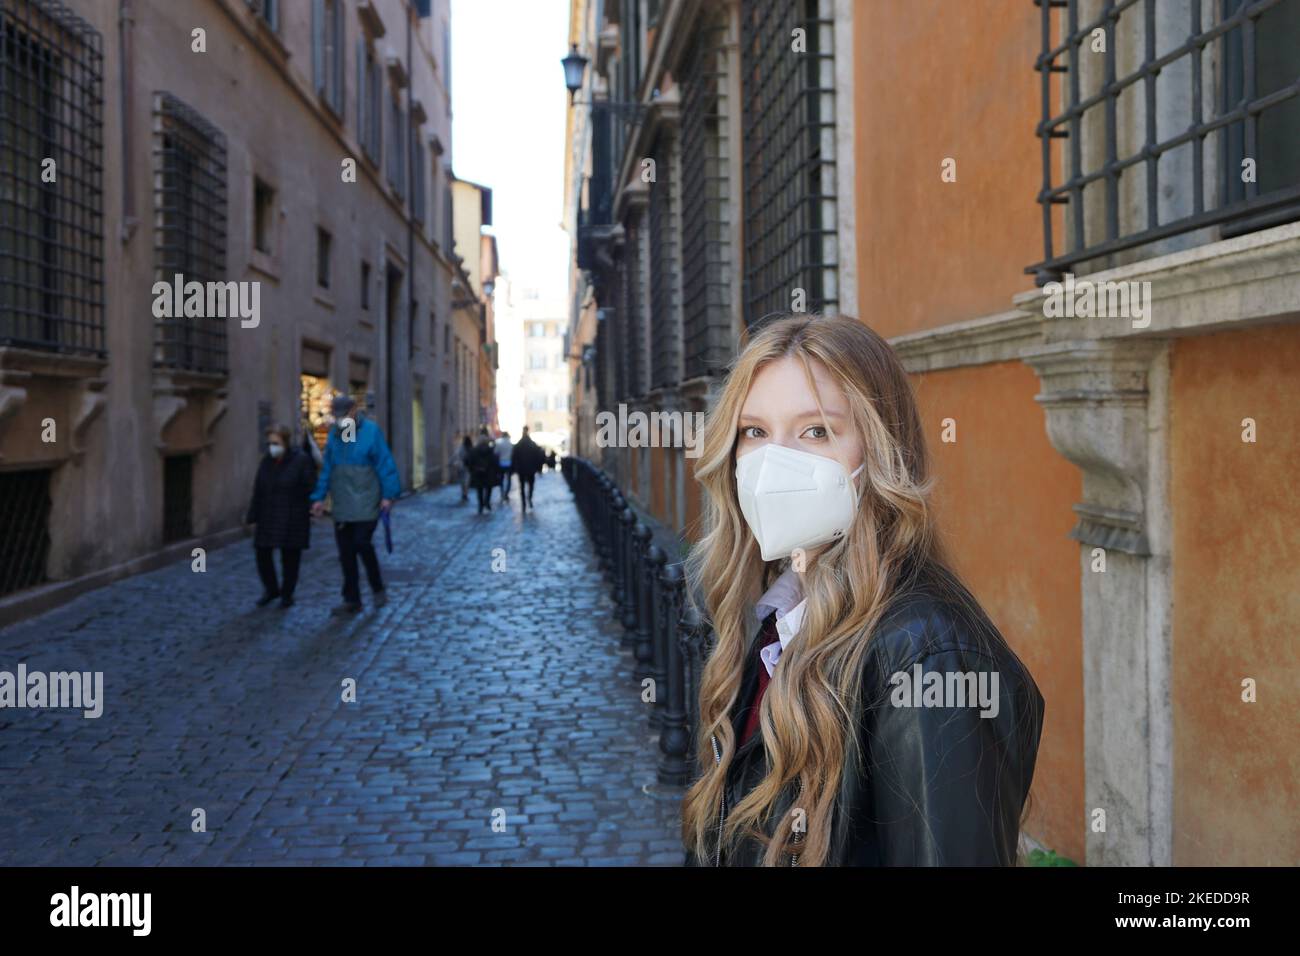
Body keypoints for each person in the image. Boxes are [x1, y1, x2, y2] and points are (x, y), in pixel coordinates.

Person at [681, 313, 1045, 866]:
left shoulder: (928, 656)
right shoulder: (775, 620)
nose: (774, 462)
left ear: (877, 450)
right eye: (755, 431)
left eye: (816, 430)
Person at [309, 394, 401, 615]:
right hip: (342, 503)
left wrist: (388, 495)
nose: (339, 419)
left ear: (352, 412)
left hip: (366, 500)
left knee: (361, 543)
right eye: (336, 415)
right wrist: (319, 498)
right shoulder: (335, 436)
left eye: (342, 414)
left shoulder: (371, 432)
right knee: (346, 552)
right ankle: (352, 599)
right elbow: (328, 468)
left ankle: (377, 588)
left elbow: (385, 463)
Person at [245, 423, 315, 608]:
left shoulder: (301, 460)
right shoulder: (266, 461)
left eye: (275, 443)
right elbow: (258, 489)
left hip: (293, 516)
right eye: (269, 443)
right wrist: (252, 517)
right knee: (262, 553)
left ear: (285, 442)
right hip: (268, 514)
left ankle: (287, 594)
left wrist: (309, 507)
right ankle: (271, 589)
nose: (272, 447)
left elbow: (309, 486)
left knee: (290, 557)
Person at [510, 426, 546, 513]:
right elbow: (538, 457)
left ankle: (524, 503)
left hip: (521, 469)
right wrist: (539, 468)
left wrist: (514, 469)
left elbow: (514, 457)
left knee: (522, 486)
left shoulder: (518, 445)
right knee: (531, 485)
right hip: (530, 468)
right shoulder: (532, 444)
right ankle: (529, 499)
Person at [467, 427, 498, 514]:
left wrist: (472, 470)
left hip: (478, 472)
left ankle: (481, 505)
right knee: (488, 488)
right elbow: (494, 461)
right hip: (488, 472)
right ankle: (487, 502)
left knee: (479, 490)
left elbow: (470, 462)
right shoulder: (490, 450)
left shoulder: (474, 450)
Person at [494, 430, 513, 503]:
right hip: (509, 463)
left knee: (501, 479)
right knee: (509, 479)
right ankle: (506, 493)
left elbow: (495, 453)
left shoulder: (499, 443)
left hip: (501, 463)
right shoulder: (510, 443)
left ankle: (502, 493)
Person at [452, 434, 472, 502]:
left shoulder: (461, 447)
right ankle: (465, 494)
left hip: (461, 466)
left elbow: (456, 455)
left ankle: (464, 493)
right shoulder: (470, 448)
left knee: (462, 481)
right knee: (467, 480)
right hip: (468, 466)